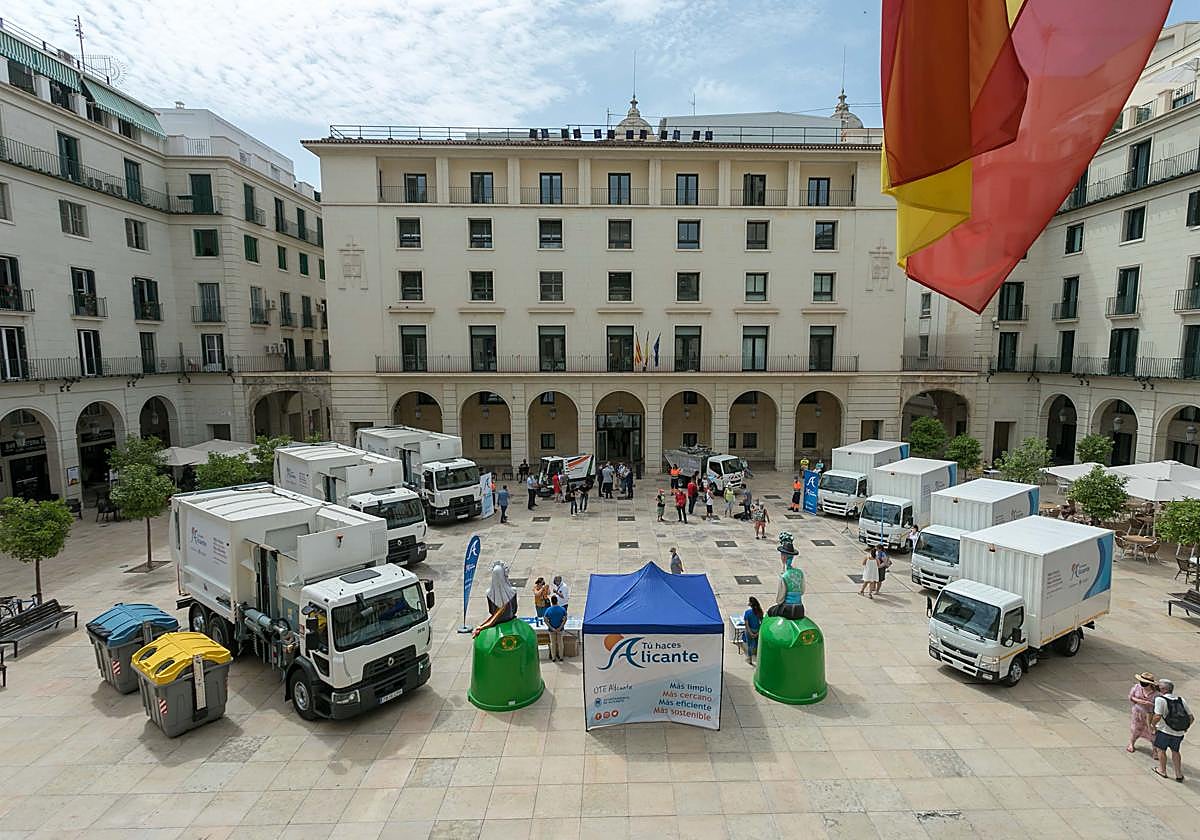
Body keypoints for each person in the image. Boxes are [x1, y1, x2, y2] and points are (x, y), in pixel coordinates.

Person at [1152, 678, 1192, 782]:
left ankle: (1162, 770)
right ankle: (1179, 774)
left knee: (1161, 750)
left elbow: (1157, 716)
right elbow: (1191, 718)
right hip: (1178, 733)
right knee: (1176, 751)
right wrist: (1185, 728)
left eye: (1159, 686)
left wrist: (1152, 725)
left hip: (1164, 731)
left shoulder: (1160, 700)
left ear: (1164, 689)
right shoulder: (1180, 699)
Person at [474, 561, 518, 637]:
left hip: (496, 623)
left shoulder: (488, 593)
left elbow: (491, 610)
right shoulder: (513, 591)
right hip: (511, 621)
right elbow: (514, 609)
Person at [767, 533, 804, 619]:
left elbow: (780, 599)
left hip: (788, 609)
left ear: (783, 557)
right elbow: (802, 591)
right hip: (800, 608)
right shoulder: (800, 573)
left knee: (770, 611)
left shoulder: (784, 576)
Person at [1129, 672, 1161, 756]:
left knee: (1152, 732)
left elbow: (1160, 706)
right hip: (1137, 712)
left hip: (1150, 715)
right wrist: (1140, 701)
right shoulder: (1137, 687)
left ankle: (1155, 750)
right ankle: (1131, 743)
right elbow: (1131, 697)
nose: (1142, 684)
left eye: (1144, 683)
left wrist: (1150, 704)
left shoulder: (1157, 694)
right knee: (1136, 729)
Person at [544, 595, 567, 662]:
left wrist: (551, 627)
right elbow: (565, 619)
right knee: (560, 643)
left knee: (553, 643)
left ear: (551, 601)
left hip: (551, 630)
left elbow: (545, 619)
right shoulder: (562, 609)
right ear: (557, 601)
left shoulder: (548, 610)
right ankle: (561, 657)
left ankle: (553, 657)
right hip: (560, 629)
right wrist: (560, 627)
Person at [743, 596, 764, 665]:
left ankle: (750, 659)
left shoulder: (747, 612)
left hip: (750, 631)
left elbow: (747, 625)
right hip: (757, 630)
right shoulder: (760, 612)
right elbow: (762, 623)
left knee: (749, 645)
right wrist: (757, 633)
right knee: (757, 645)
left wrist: (750, 633)